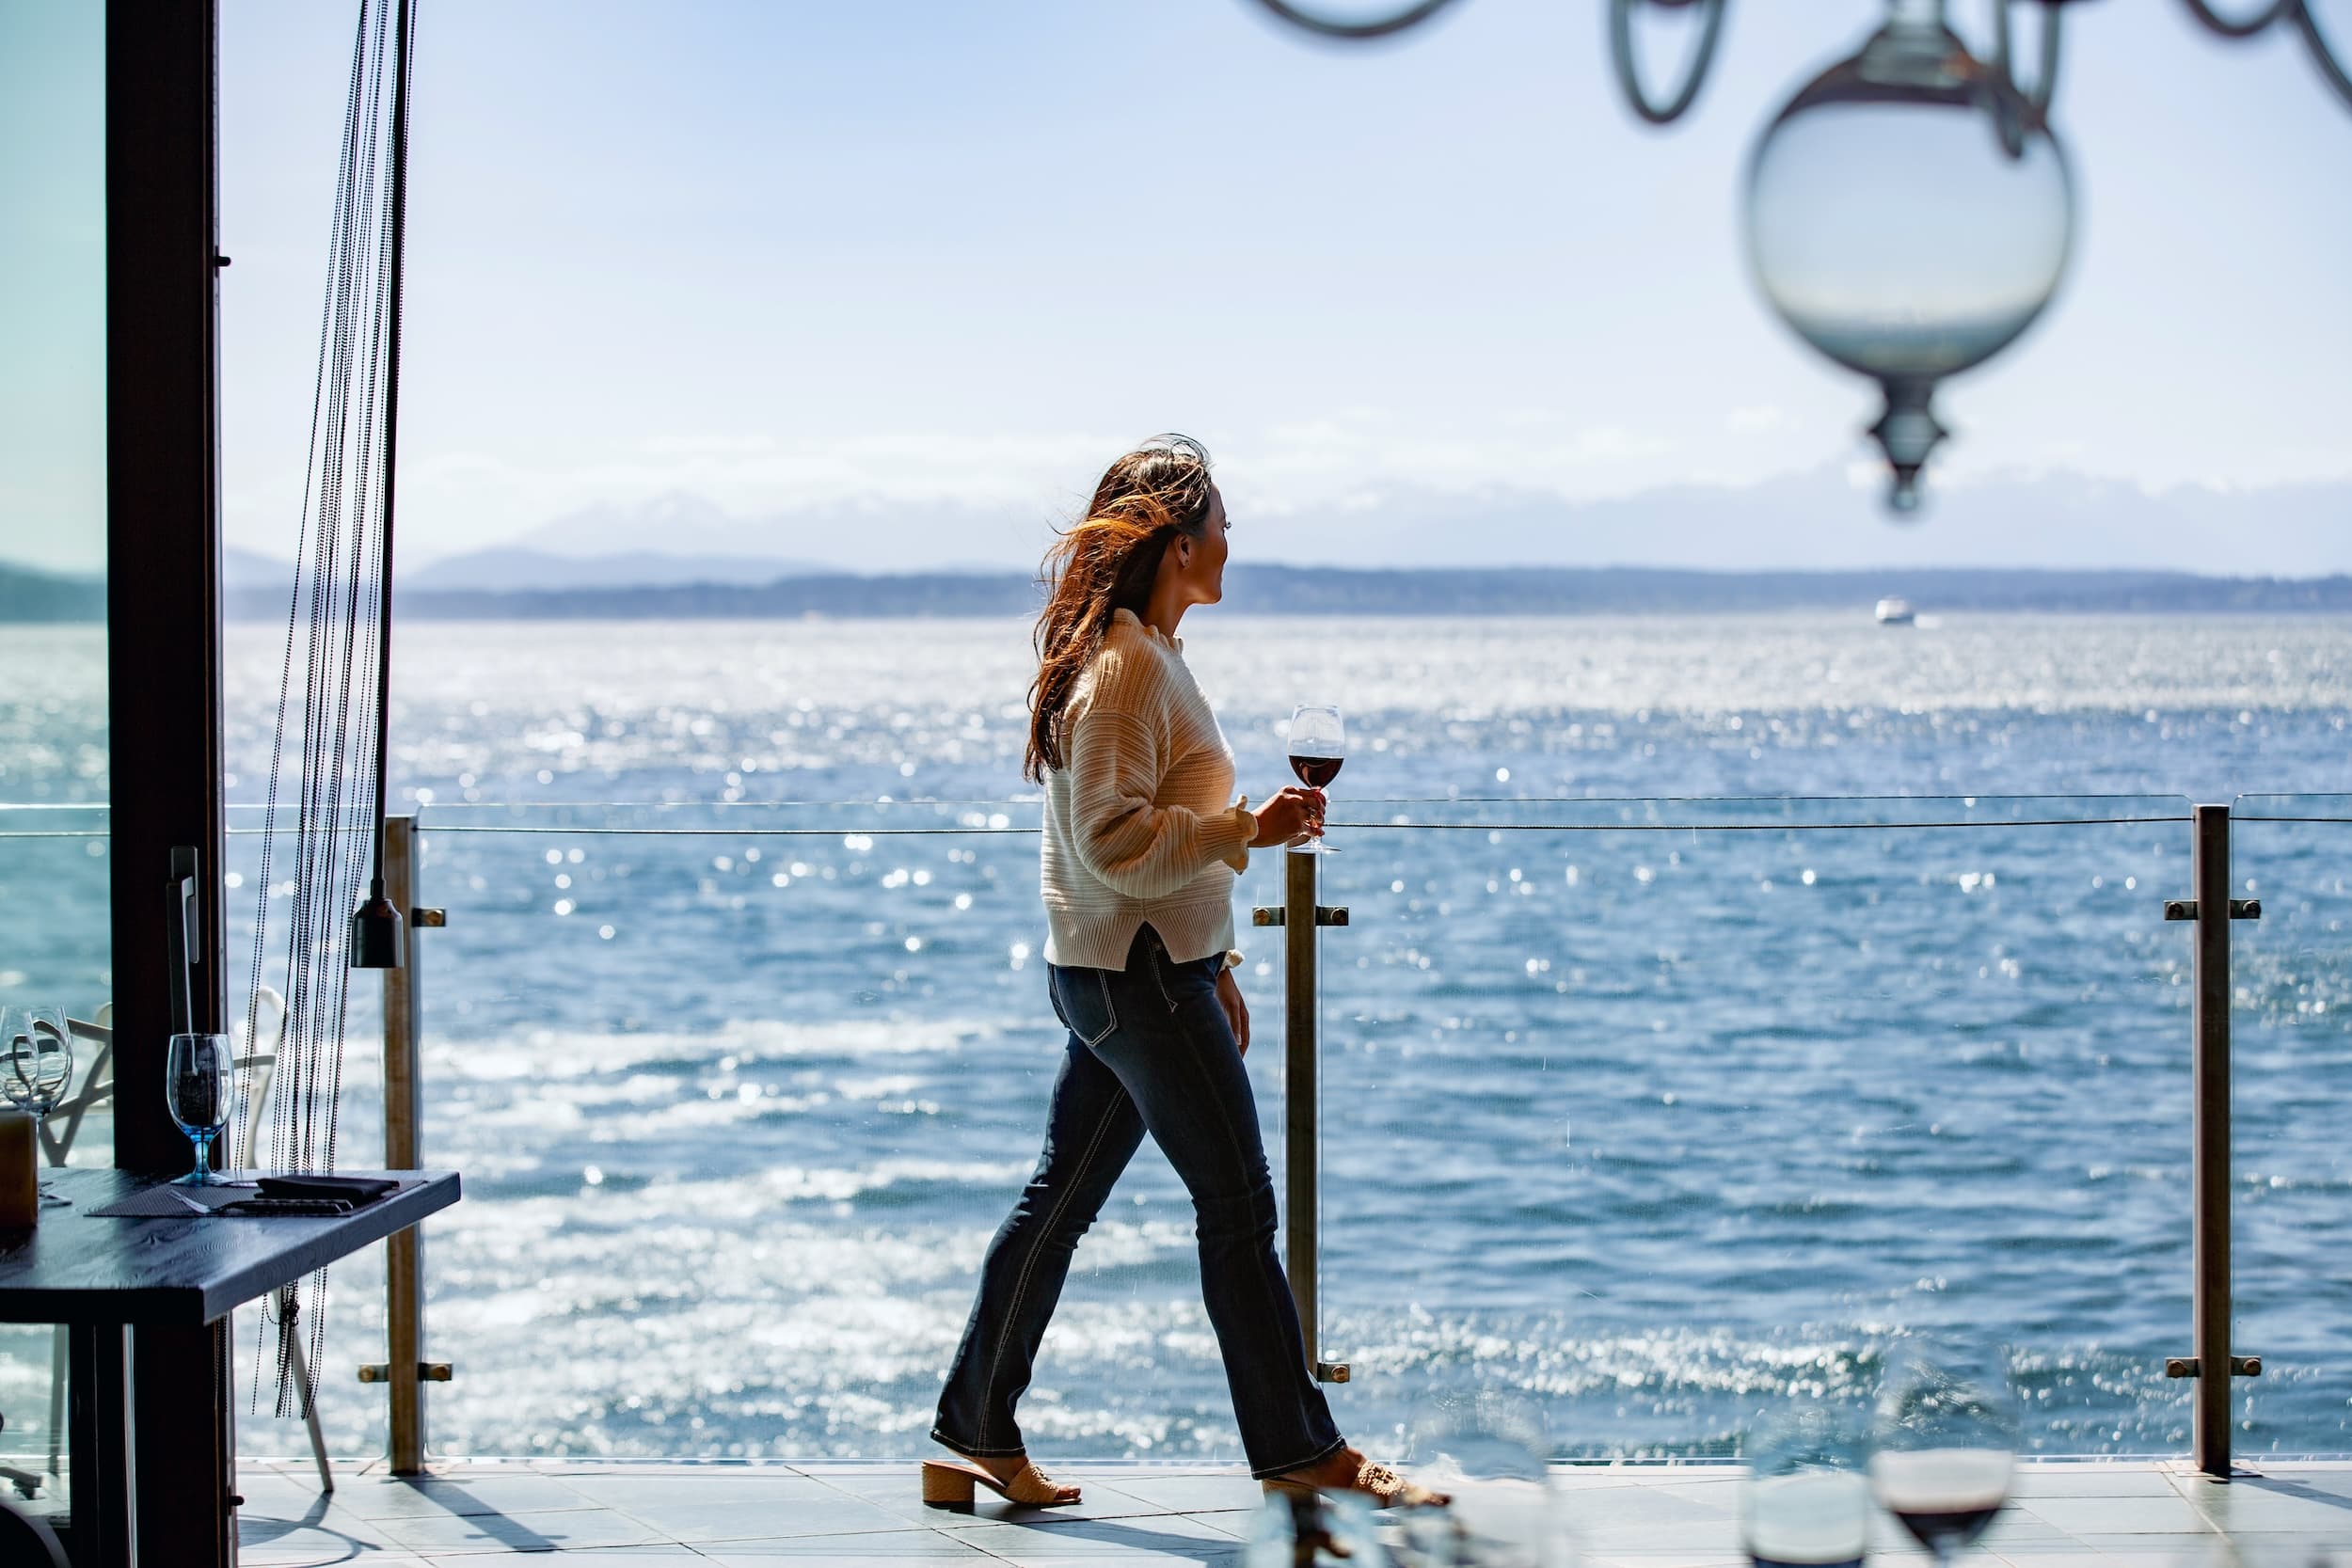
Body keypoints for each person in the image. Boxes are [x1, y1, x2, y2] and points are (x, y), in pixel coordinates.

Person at [924, 435, 1442, 1514]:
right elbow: (1111, 838)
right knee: (1238, 1206)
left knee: (1057, 1202)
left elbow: (1141, 844)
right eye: (1217, 525)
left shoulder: (1143, 649)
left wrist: (1223, 958)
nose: (1228, 541)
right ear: (1174, 539)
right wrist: (1242, 830)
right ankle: (1300, 1447)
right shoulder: (1122, 666)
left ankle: (971, 1427)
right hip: (1139, 978)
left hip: (1134, 969)